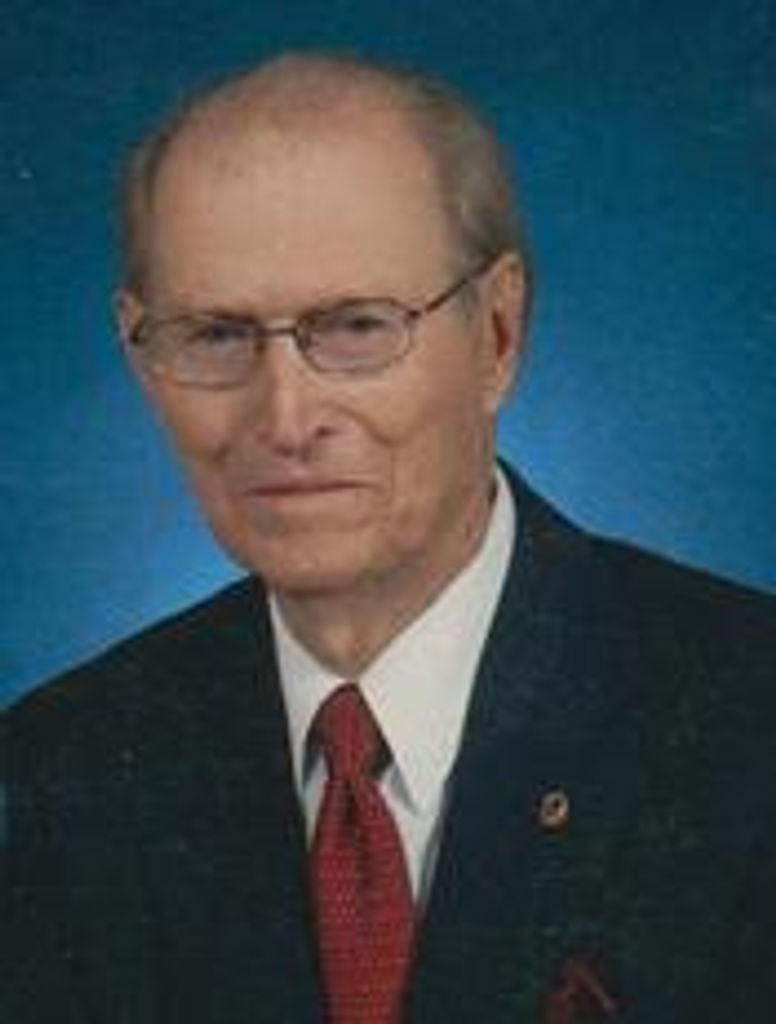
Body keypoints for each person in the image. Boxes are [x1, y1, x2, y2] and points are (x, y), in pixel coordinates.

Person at [5, 51, 776, 1024]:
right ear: (138, 352)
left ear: (498, 334)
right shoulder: (55, 773)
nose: (286, 419)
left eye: (357, 327)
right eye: (215, 335)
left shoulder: (745, 719)